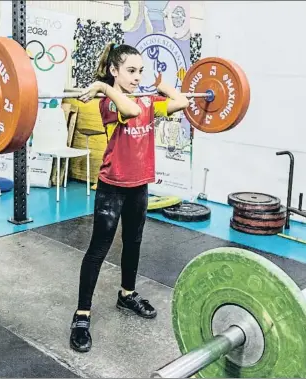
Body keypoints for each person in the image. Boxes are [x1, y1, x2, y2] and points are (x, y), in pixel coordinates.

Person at [69, 42, 189, 353]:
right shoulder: (109, 104)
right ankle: (82, 314)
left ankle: (127, 294)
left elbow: (183, 102)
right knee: (99, 248)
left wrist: (162, 86)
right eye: (131, 71)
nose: (137, 77)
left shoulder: (147, 99)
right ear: (114, 71)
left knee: (134, 241)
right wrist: (103, 89)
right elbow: (130, 109)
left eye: (140, 72)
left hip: (139, 185)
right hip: (113, 185)